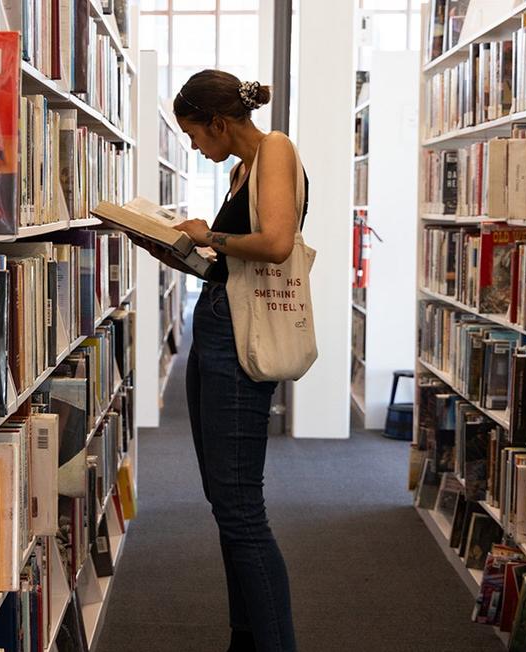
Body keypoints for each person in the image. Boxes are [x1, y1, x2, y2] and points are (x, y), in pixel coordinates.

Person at [166, 69, 309, 652]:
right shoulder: (242, 170)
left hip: (238, 336)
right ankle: (246, 638)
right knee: (225, 500)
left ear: (220, 122)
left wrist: (210, 237)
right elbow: (235, 264)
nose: (196, 147)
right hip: (219, 323)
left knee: (241, 507)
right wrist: (180, 248)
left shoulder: (274, 149)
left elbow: (276, 243)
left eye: (196, 135)